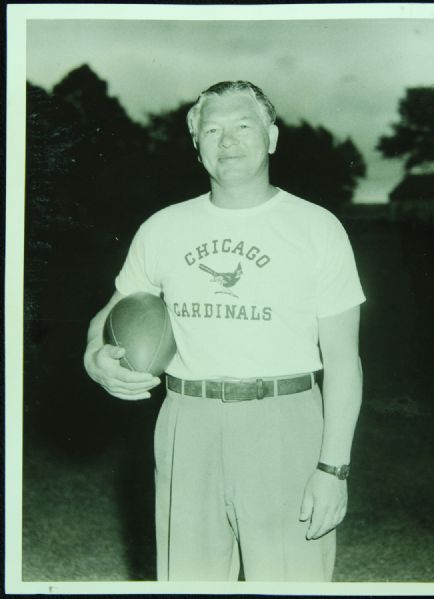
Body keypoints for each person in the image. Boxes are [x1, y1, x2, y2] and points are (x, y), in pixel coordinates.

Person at [84, 80, 365, 582]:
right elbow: (110, 314)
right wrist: (94, 356)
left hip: (285, 421)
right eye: (211, 129)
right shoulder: (164, 227)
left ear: (272, 138)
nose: (227, 140)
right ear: (196, 145)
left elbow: (344, 358)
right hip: (185, 422)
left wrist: (333, 470)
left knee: (290, 584)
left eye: (242, 126)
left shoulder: (316, 228)